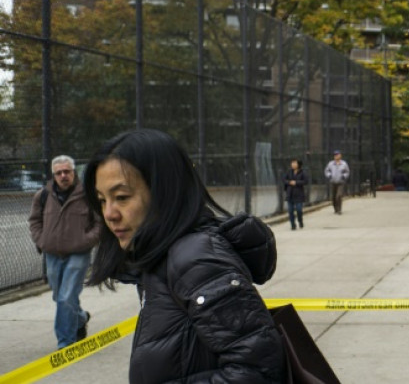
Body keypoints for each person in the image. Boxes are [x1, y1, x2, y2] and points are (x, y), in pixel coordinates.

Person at [83, 129, 285, 383]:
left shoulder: (195, 260)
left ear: (164, 193)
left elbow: (259, 370)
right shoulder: (163, 259)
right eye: (102, 200)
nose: (109, 213)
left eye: (122, 197)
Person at [28, 155, 101, 349]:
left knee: (66, 297)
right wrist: (42, 240)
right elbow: (34, 221)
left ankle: (65, 344)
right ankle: (80, 318)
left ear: (73, 172)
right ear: (53, 175)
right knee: (60, 297)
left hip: (79, 253)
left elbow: (100, 222)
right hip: (52, 254)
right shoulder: (43, 195)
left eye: (67, 171)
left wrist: (86, 241)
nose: (63, 175)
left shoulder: (87, 194)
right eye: (59, 173)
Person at [283, 158, 308, 230]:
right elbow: (284, 180)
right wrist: (289, 182)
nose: (293, 164)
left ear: (298, 164)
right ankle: (293, 224)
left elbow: (305, 181)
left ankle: (300, 221)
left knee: (299, 210)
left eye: (295, 163)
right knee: (290, 211)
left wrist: (296, 182)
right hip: (290, 193)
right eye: (292, 163)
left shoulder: (303, 172)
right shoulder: (289, 172)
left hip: (299, 194)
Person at [324, 149, 349, 215]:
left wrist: (344, 176)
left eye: (337, 155)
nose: (336, 156)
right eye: (335, 155)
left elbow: (347, 172)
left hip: (340, 182)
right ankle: (335, 209)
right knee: (333, 197)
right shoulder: (330, 163)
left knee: (339, 196)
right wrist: (329, 175)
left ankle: (339, 210)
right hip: (333, 182)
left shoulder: (344, 163)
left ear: (340, 155)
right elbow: (327, 171)